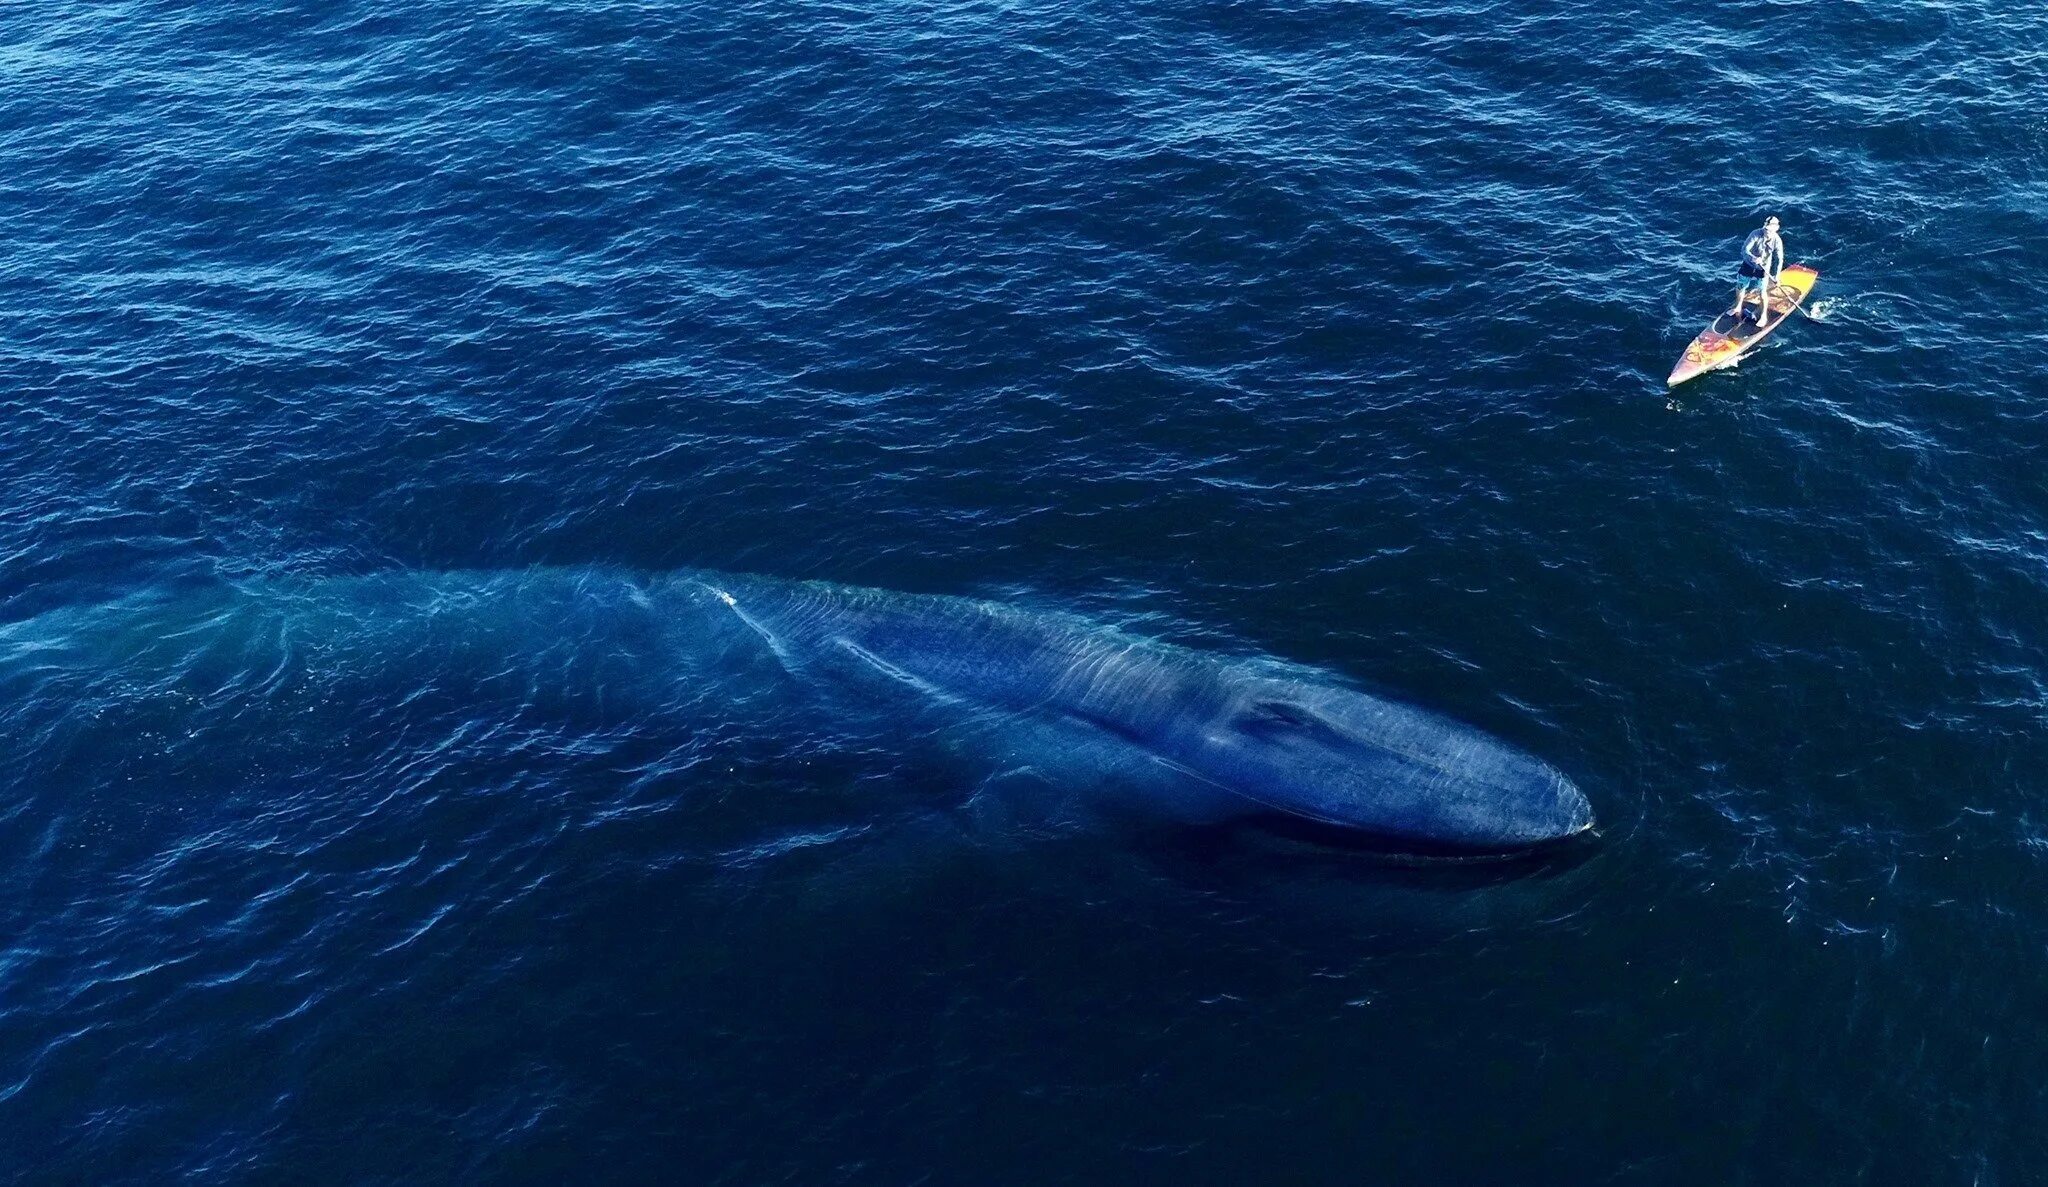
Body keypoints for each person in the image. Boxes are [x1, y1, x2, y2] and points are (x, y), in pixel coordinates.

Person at [1729, 215, 1785, 328]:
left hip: (1763, 269)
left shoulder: (1777, 241)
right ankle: (1738, 306)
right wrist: (1753, 257)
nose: (1766, 231)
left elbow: (1779, 259)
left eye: (1769, 230)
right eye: (1765, 229)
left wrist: (1776, 276)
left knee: (1762, 291)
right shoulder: (1755, 234)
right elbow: (1745, 249)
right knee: (1740, 285)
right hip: (1749, 264)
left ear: (1775, 229)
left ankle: (1763, 316)